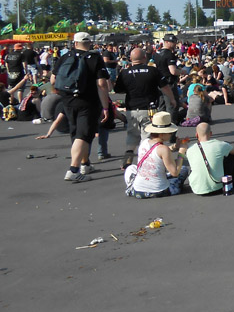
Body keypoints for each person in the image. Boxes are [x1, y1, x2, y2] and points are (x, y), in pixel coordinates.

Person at [52, 32, 112, 182]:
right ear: (89, 42)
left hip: (68, 100)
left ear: (75, 43)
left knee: (76, 132)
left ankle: (85, 163)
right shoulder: (94, 57)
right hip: (87, 100)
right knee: (84, 134)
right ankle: (73, 169)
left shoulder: (65, 57)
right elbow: (101, 84)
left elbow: (53, 79)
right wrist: (105, 106)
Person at [125, 111, 188, 198]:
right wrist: (181, 152)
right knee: (183, 169)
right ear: (162, 134)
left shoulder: (144, 142)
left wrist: (174, 147)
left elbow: (155, 153)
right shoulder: (163, 149)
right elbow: (175, 172)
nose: (171, 135)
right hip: (159, 190)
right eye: (170, 132)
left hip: (138, 189)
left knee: (131, 168)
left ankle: (133, 186)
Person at [185, 123, 234, 195]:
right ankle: (233, 180)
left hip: (197, 189)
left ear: (196, 135)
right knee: (231, 156)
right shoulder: (220, 144)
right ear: (211, 133)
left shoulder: (190, 149)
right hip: (218, 187)